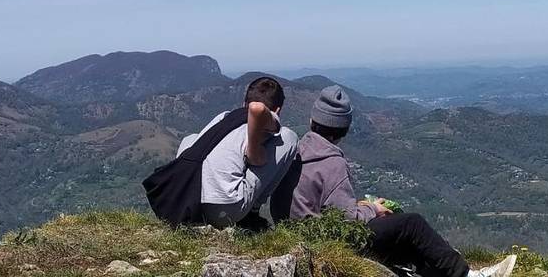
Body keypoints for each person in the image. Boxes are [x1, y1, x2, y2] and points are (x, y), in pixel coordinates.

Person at [271, 85, 516, 277]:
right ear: (344, 130)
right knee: (412, 224)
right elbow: (348, 221)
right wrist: (372, 209)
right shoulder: (332, 162)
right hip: (324, 242)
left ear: (312, 122)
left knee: (402, 235)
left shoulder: (298, 151)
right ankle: (467, 275)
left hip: (297, 234)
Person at [175, 76, 299, 228]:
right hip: (223, 210)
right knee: (289, 137)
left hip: (187, 201)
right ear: (277, 110)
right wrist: (254, 150)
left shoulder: (224, 117)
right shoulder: (270, 116)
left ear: (242, 103)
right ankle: (252, 212)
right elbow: (257, 109)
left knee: (192, 138)